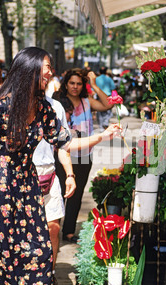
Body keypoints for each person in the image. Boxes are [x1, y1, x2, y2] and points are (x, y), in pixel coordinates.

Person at [0, 47, 71, 285]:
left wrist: (103, 137)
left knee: (39, 251)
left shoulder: (44, 107)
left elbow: (64, 142)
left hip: (28, 187)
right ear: (31, 68)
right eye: (47, 66)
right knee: (2, 253)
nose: (50, 72)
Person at [52, 68, 116, 243]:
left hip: (84, 154)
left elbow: (108, 104)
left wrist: (94, 84)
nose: (75, 87)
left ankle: (69, 231)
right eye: (72, 83)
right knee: (58, 192)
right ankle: (52, 228)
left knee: (77, 194)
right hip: (62, 153)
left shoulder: (87, 102)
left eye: (79, 84)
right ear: (66, 84)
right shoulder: (57, 101)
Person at [32, 94, 75, 285]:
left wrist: (70, 174)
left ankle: (48, 279)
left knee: (53, 229)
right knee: (26, 234)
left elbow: (63, 147)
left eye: (49, 68)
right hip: (21, 177)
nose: (47, 74)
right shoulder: (11, 102)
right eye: (44, 68)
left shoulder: (55, 106)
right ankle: (27, 282)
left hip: (49, 173)